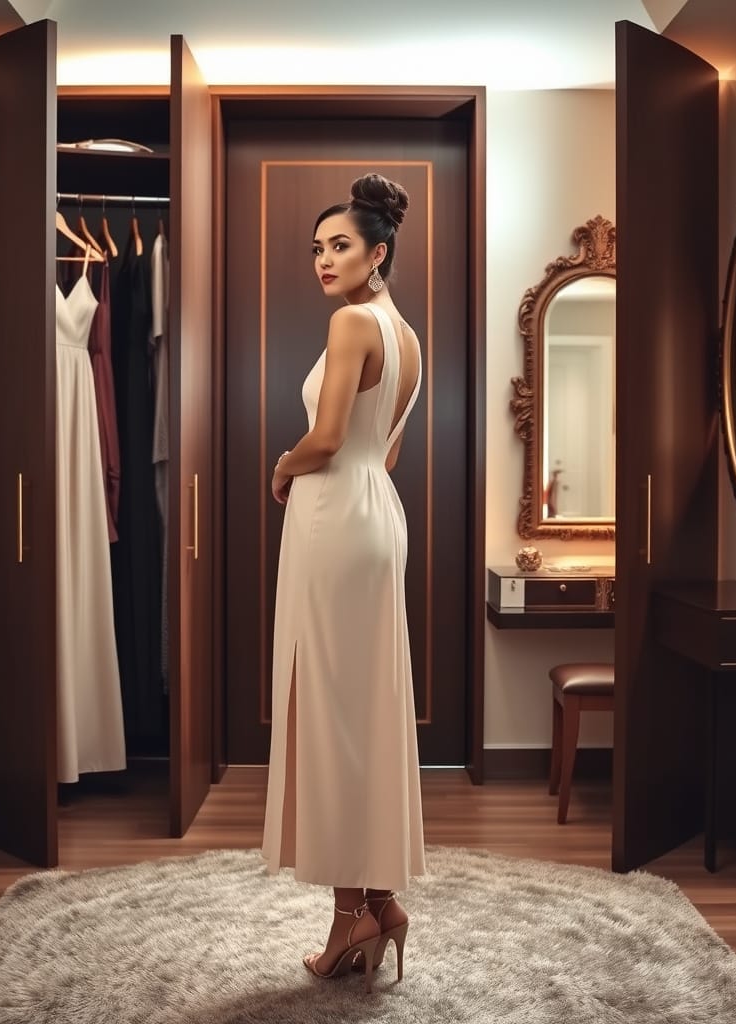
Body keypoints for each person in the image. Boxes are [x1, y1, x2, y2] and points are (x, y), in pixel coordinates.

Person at [260, 172, 426, 992]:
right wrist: (326, 460)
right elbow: (383, 450)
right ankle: (381, 902)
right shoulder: (407, 335)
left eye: (340, 246)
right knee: (365, 705)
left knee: (331, 710)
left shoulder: (351, 321)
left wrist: (283, 467)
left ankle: (347, 918)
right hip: (379, 512)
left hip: (334, 516)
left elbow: (326, 438)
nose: (324, 260)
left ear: (378, 251)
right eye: (318, 248)